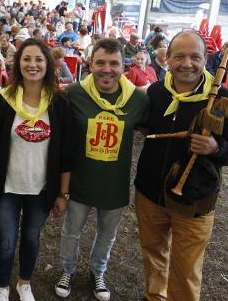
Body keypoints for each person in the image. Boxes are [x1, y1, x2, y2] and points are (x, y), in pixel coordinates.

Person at [134, 31, 228, 301]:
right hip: (150, 193)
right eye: (179, 56)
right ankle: (156, 296)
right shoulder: (156, 92)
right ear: (167, 59)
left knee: (186, 268)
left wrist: (217, 148)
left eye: (194, 57)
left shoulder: (225, 100)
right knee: (153, 255)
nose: (186, 63)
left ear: (205, 59)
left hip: (195, 198)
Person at [54, 38, 149, 301]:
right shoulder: (73, 94)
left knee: (107, 235)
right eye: (101, 63)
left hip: (114, 183)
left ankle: (98, 271)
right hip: (80, 181)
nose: (107, 69)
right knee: (71, 231)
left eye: (114, 63)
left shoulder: (138, 99)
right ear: (90, 64)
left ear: (124, 66)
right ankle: (68, 270)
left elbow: (156, 127)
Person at [0, 38, 72, 301]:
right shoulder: (3, 100)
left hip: (41, 189)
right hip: (7, 187)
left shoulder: (60, 103)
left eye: (38, 59)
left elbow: (67, 153)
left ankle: (24, 282)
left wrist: (63, 194)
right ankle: (2, 285)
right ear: (18, 63)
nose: (32, 65)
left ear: (48, 64)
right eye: (26, 59)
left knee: (31, 239)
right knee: (7, 241)